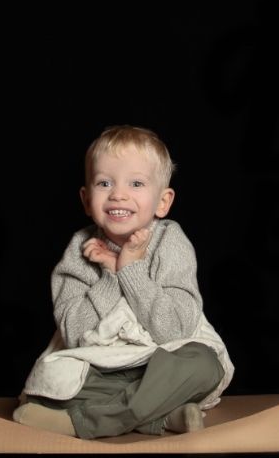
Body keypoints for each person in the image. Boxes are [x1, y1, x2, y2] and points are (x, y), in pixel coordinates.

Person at [13, 126, 232, 438]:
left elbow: (173, 329)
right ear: (87, 200)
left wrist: (128, 268)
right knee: (44, 388)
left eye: (137, 183)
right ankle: (163, 416)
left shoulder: (171, 242)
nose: (118, 193)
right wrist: (108, 276)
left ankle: (82, 423)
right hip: (103, 366)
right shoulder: (79, 249)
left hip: (164, 360)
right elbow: (75, 334)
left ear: (163, 201)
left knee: (205, 365)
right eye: (104, 182)